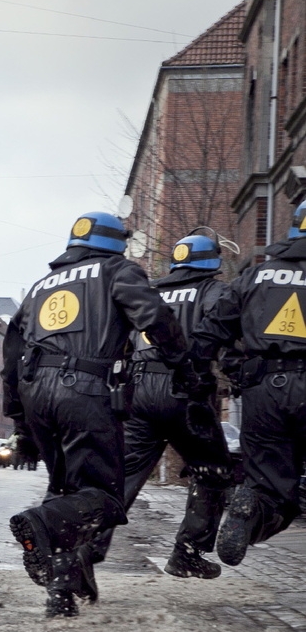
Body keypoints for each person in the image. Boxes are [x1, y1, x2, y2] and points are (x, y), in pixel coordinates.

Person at [2, 210, 190, 617]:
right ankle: (42, 524)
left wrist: (21, 423)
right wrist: (182, 365)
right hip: (84, 390)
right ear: (116, 243)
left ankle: (62, 591)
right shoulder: (116, 270)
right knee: (104, 497)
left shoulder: (39, 286)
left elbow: (12, 355)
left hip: (36, 394)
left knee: (68, 489)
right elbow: (155, 317)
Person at [90, 232, 233, 579]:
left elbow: (120, 341)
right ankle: (187, 553)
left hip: (139, 392)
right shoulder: (216, 292)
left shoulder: (151, 290)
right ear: (212, 262)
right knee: (213, 470)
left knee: (121, 477)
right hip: (185, 392)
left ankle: (86, 545)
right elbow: (227, 339)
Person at [192, 200, 306, 565]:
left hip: (264, 391)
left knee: (272, 487)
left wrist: (234, 369)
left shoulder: (254, 276)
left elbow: (210, 331)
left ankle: (252, 507)